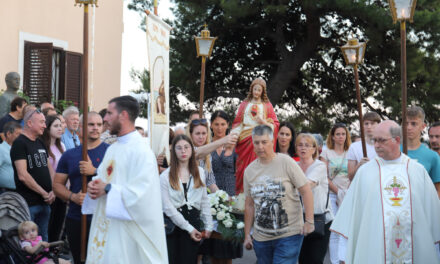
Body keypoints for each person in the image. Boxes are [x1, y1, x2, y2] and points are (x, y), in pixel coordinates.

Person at [331, 120, 440, 263]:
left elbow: (432, 218)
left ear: (397, 140)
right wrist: (343, 255)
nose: (376, 145)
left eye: (381, 140)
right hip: (374, 251)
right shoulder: (365, 172)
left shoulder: (417, 171)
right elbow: (351, 218)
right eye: (374, 140)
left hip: (413, 251)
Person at [86, 96, 167, 263]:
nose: (105, 118)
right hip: (107, 226)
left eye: (109, 113)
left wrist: (108, 189)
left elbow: (144, 195)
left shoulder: (142, 152)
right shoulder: (112, 149)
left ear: (123, 115)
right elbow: (102, 179)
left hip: (127, 232)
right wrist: (94, 187)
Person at [243, 125, 314, 264]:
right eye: (256, 142)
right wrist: (247, 235)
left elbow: (305, 190)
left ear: (272, 141)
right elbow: (249, 204)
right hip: (261, 237)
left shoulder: (286, 162)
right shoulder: (249, 171)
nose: (260, 146)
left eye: (264, 142)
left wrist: (309, 221)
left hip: (289, 234)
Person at [53, 112, 109, 264]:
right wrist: (73, 197)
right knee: (80, 260)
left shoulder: (111, 153)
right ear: (80, 128)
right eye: (91, 124)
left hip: (104, 218)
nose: (95, 128)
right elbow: (57, 185)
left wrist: (95, 171)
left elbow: (120, 182)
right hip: (77, 217)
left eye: (99, 124)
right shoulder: (69, 155)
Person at [160, 134, 213, 264]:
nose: (183, 151)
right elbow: (167, 207)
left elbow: (204, 200)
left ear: (192, 149)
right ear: (173, 151)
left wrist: (209, 225)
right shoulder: (165, 176)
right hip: (173, 226)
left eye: (186, 147)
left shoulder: (200, 172)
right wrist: (188, 228)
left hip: (193, 222)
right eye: (179, 148)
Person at [200, 110, 242, 263]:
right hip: (211, 197)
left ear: (228, 125)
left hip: (230, 197)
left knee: (227, 249)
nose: (219, 128)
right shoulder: (206, 145)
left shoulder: (236, 146)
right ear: (211, 125)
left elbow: (241, 172)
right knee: (212, 249)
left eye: (222, 124)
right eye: (216, 124)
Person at [11, 109, 55, 241]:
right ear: (29, 123)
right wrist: (43, 192)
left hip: (46, 202)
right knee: (29, 243)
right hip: (29, 204)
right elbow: (22, 175)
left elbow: (50, 169)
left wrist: (53, 190)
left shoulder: (40, 142)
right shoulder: (20, 143)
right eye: (42, 122)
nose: (45, 126)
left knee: (43, 240)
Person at [231, 78, 279, 194]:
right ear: (251, 89)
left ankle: (258, 195)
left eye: (259, 90)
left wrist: (263, 121)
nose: (257, 92)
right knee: (243, 168)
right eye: (255, 89)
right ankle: (242, 195)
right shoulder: (244, 104)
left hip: (260, 139)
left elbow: (275, 124)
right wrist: (235, 134)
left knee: (259, 168)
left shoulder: (267, 106)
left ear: (263, 92)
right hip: (245, 139)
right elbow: (238, 122)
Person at [296, 133, 332, 264]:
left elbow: (307, 185)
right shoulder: (294, 165)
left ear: (314, 149)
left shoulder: (319, 166)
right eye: (300, 145)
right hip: (299, 220)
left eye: (307, 145)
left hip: (320, 220)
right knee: (302, 259)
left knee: (315, 260)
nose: (303, 148)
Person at [320, 122, 351, 264]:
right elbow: (323, 176)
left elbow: (354, 174)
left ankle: (343, 259)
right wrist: (338, 191)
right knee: (334, 230)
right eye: (337, 134)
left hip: (349, 194)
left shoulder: (351, 151)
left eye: (343, 134)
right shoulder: (326, 152)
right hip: (332, 194)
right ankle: (334, 261)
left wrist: (347, 192)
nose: (340, 137)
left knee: (346, 229)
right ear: (332, 136)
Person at [404, 106, 440, 197]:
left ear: (423, 126)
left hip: (421, 209)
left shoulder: (432, 156)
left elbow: (437, 191)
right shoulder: (393, 152)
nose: (409, 127)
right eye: (406, 123)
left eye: (413, 124)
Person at [41, 115, 66, 242]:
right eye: (56, 126)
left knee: (58, 223)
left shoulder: (61, 145)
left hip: (61, 191)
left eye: (60, 125)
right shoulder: (42, 147)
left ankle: (55, 251)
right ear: (47, 128)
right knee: (48, 225)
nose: (60, 128)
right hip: (49, 191)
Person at [347, 111, 381, 181]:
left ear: (379, 125)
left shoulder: (386, 146)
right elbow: (350, 177)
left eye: (372, 123)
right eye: (366, 124)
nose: (369, 127)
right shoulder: (354, 147)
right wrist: (359, 165)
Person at [188, 118, 218, 192]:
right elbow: (197, 153)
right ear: (191, 134)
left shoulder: (208, 155)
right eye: (197, 133)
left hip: (202, 197)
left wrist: (221, 196)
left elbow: (210, 181)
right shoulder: (187, 150)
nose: (201, 137)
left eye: (204, 133)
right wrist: (224, 140)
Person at [0, 121, 22, 192]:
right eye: (18, 134)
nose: (21, 137)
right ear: (8, 134)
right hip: (6, 193)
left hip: (20, 191)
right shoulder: (1, 149)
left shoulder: (20, 149)